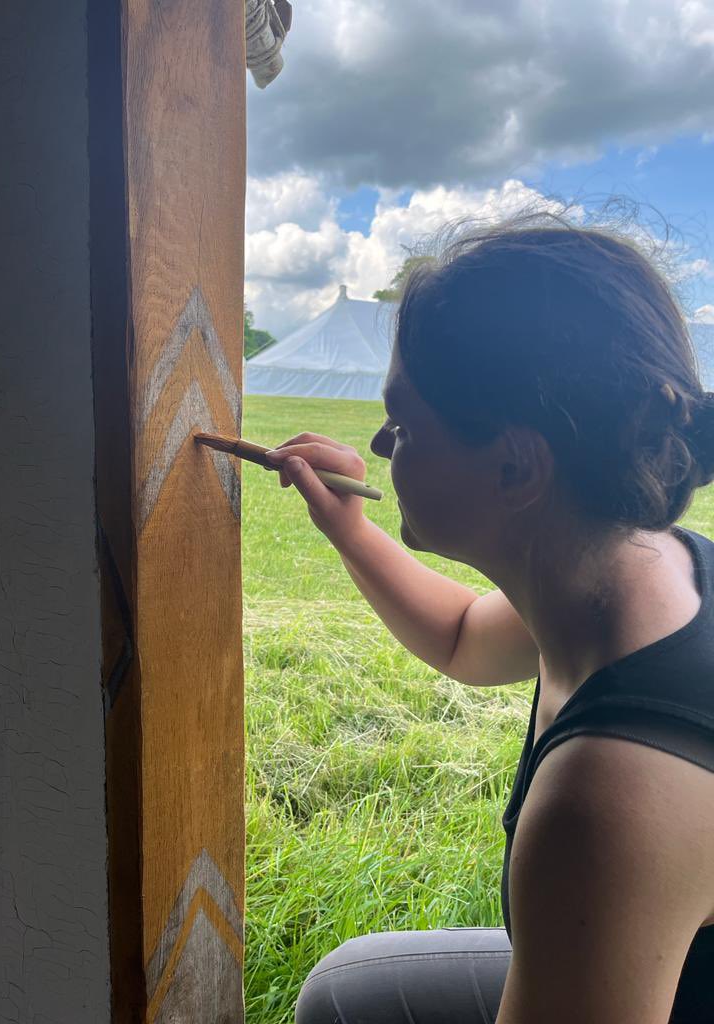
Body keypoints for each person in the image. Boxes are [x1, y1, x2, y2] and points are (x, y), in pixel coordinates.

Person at [264, 213, 714, 1024]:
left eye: (401, 424)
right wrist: (349, 526)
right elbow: (466, 636)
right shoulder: (642, 570)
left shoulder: (608, 804)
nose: (378, 440)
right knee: (343, 996)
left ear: (516, 464)